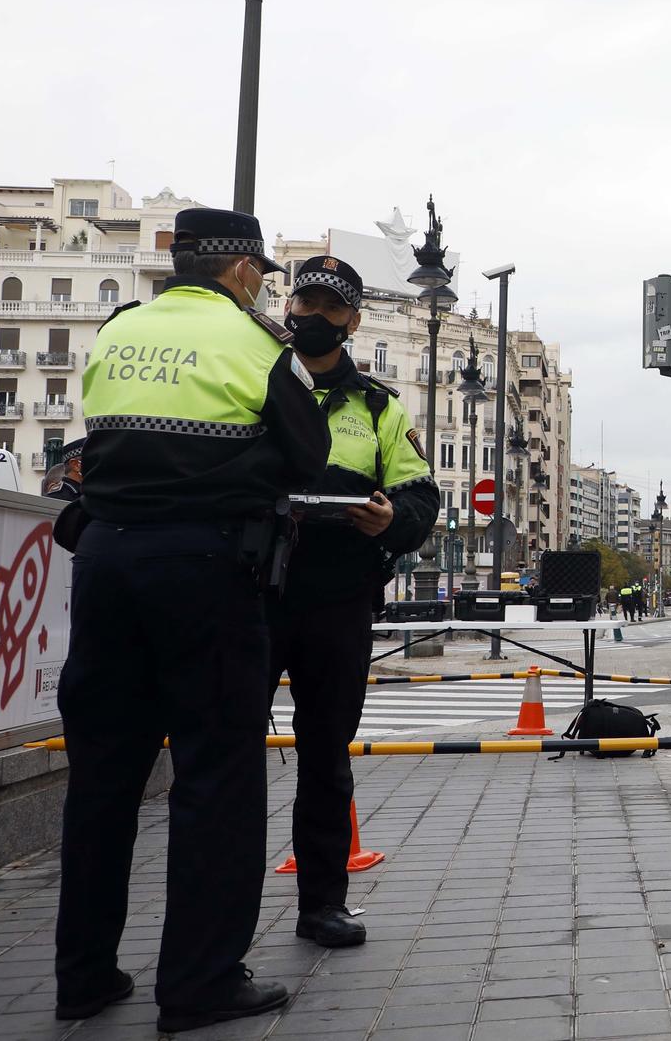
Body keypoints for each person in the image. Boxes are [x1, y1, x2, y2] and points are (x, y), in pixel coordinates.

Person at [55, 209, 329, 1031]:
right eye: (262, 275)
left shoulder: (119, 331)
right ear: (243, 270)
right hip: (204, 570)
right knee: (215, 775)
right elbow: (309, 453)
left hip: (103, 563)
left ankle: (84, 975)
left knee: (101, 779)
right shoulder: (257, 345)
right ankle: (200, 980)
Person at [266, 257, 439, 950]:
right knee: (229, 754)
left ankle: (322, 904)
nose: (314, 314)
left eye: (330, 307)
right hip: (254, 591)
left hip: (337, 600)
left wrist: (389, 516)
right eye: (304, 299)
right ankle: (222, 916)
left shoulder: (378, 406)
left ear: (353, 321)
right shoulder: (260, 379)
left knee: (326, 757)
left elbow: (423, 496)